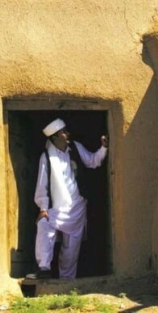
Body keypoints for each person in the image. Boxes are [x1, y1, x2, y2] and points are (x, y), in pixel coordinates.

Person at [32, 118, 108, 280]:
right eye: (63, 132)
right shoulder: (46, 157)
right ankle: (44, 268)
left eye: (66, 131)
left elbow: (92, 161)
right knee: (44, 224)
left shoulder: (75, 148)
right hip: (56, 208)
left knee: (71, 249)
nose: (67, 134)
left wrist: (104, 148)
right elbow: (42, 184)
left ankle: (67, 281)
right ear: (54, 137)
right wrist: (43, 208)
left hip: (76, 207)